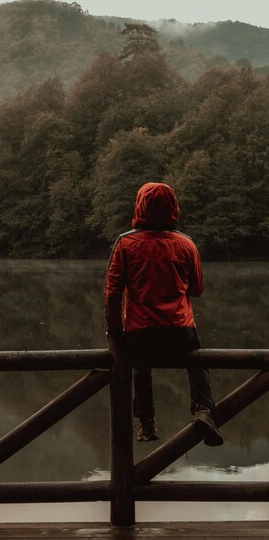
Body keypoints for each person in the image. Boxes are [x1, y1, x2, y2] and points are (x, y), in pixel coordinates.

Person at [105, 181, 223, 446]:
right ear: (173, 208)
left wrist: (114, 333)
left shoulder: (125, 244)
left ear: (139, 206)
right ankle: (203, 409)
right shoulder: (185, 244)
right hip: (180, 329)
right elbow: (197, 289)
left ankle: (146, 423)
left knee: (140, 367)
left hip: (140, 332)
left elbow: (112, 294)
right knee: (197, 363)